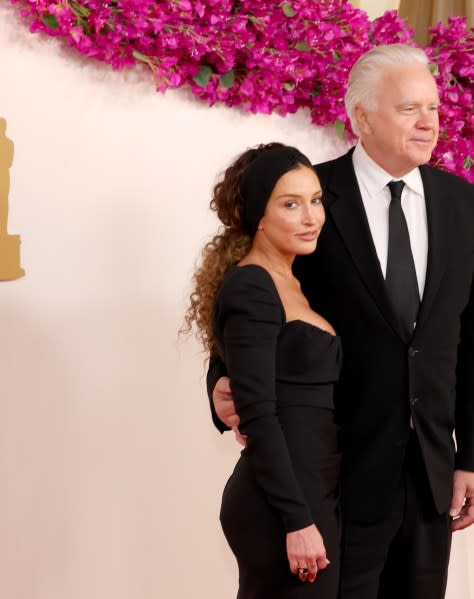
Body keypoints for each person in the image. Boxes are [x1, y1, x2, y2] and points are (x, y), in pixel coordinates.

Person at [208, 44, 474, 599]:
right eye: (409, 108)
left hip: (432, 475)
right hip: (337, 473)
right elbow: (257, 296)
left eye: (434, 108)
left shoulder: (466, 205)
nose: (428, 121)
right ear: (362, 116)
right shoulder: (309, 197)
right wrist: (218, 383)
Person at [185, 143, 342, 598]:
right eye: (291, 204)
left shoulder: (295, 280)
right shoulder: (252, 284)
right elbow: (258, 410)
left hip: (311, 488)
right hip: (283, 504)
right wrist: (297, 520)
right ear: (258, 214)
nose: (311, 216)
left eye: (315, 200)